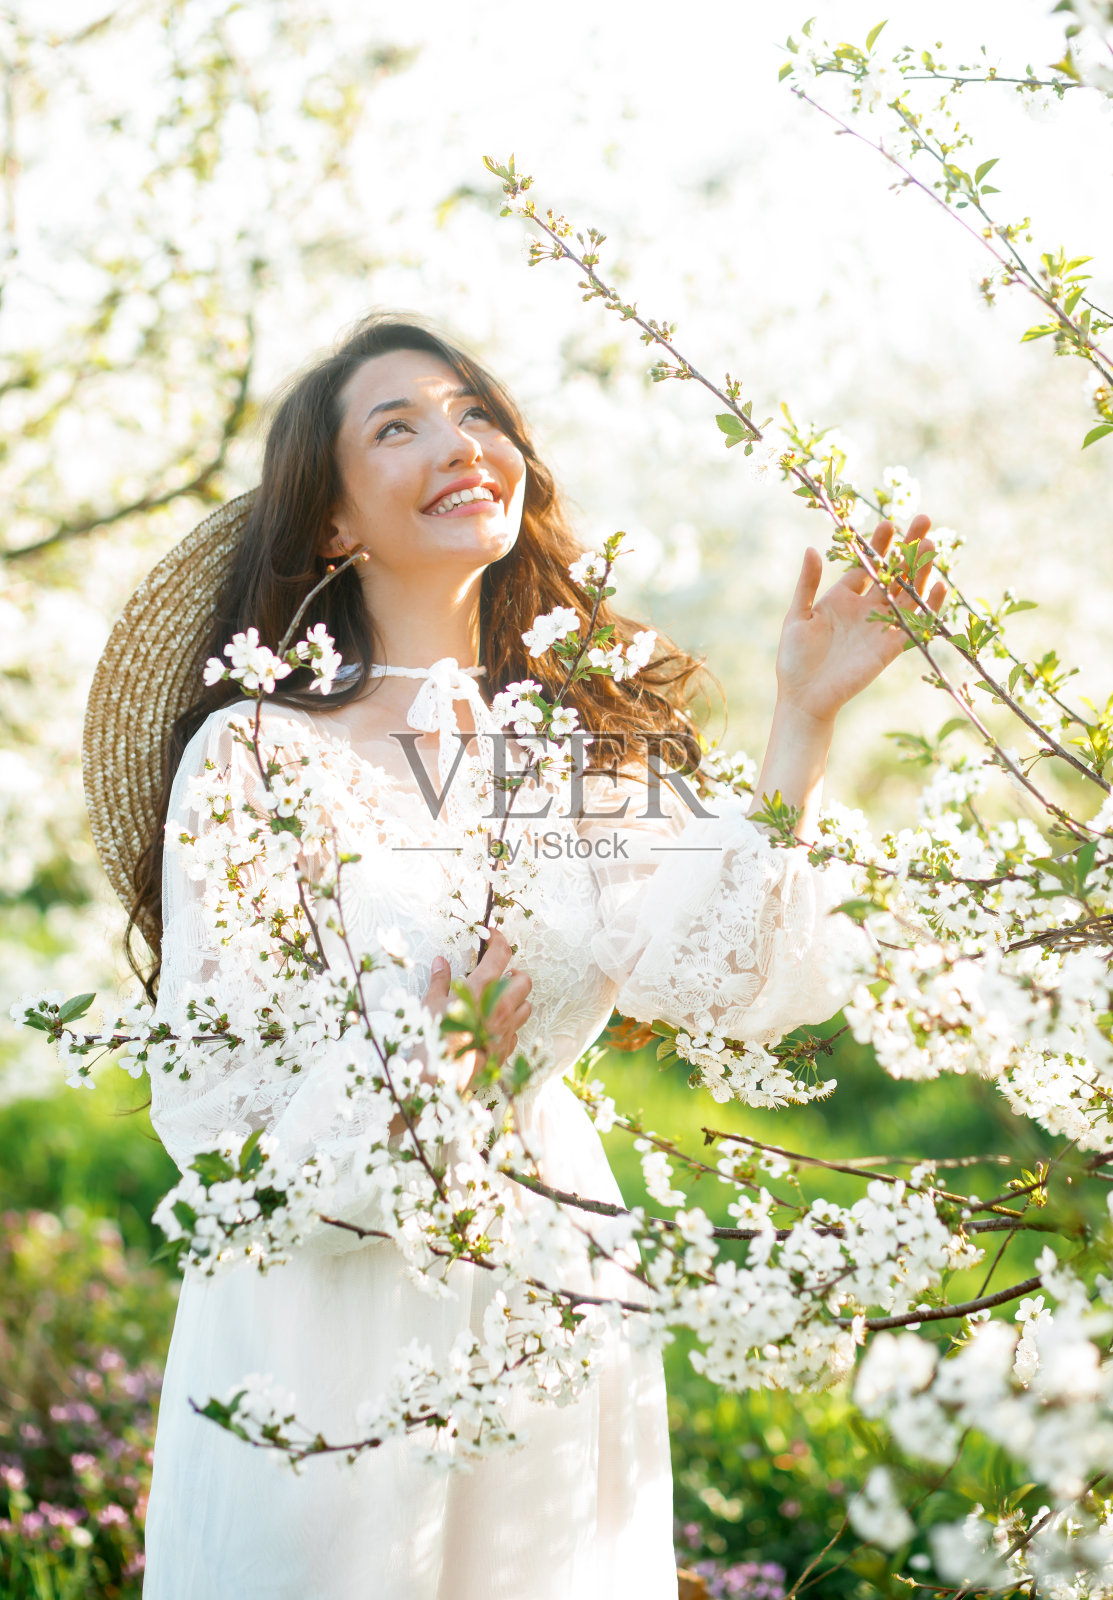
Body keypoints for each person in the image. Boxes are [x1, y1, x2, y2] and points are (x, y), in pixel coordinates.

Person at [82, 312, 944, 1600]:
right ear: (330, 524)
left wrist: (801, 726)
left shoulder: (576, 748)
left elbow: (729, 973)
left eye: (476, 412)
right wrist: (430, 1067)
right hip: (328, 1307)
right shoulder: (259, 756)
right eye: (399, 425)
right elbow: (221, 1115)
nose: (459, 442)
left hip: (541, 1275)